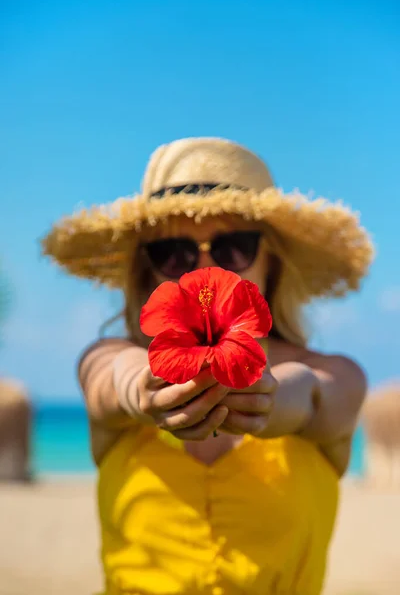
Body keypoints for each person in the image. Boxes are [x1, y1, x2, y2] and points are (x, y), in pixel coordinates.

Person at [42, 137, 374, 595]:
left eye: (233, 247)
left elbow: (315, 396)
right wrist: (141, 390)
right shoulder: (113, 357)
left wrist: (271, 398)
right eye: (172, 252)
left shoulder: (338, 375)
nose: (200, 267)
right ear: (145, 270)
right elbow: (109, 377)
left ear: (272, 261)